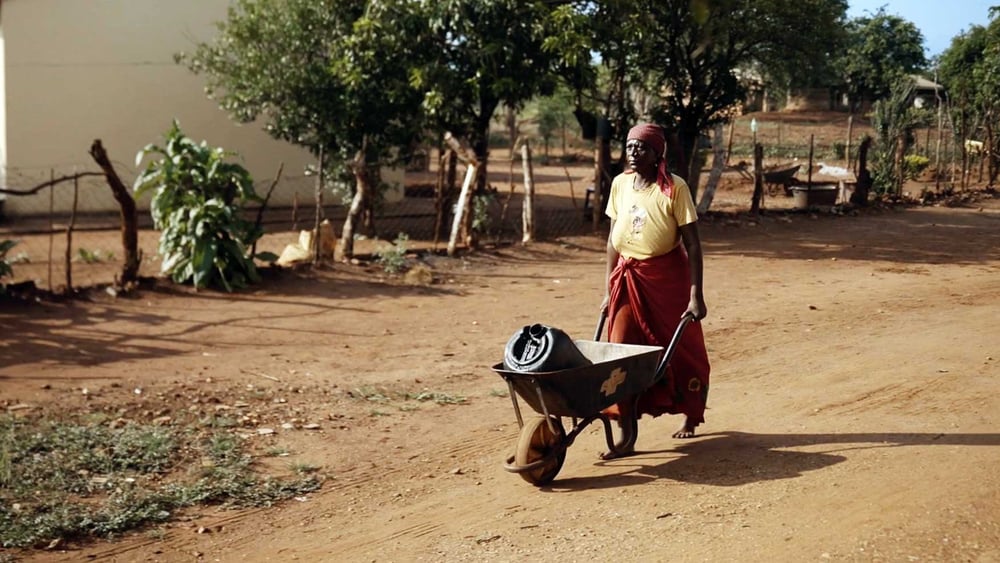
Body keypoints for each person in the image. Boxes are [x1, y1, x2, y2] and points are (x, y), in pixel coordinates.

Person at [598, 122, 711, 459]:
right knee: (619, 350)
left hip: (666, 279)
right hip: (627, 278)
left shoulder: (674, 189)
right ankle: (627, 435)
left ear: (656, 153)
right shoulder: (619, 185)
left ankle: (691, 413)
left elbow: (693, 244)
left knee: (680, 349)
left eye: (642, 147)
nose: (634, 153)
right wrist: (608, 289)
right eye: (630, 146)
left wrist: (696, 295)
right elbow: (611, 242)